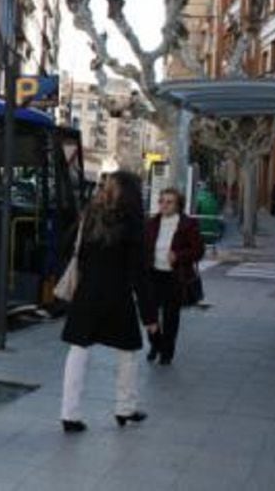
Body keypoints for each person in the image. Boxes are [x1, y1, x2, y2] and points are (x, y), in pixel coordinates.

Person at [60, 170, 156, 433]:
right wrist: (149, 316)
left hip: (87, 293)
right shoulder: (133, 223)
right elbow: (139, 271)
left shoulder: (91, 215)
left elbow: (68, 247)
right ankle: (125, 408)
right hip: (118, 296)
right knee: (128, 352)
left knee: (78, 350)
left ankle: (70, 413)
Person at [145, 188, 205, 366]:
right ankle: (156, 344)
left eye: (169, 201)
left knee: (171, 317)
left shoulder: (188, 224)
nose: (164, 205)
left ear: (178, 204)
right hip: (153, 275)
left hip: (175, 277)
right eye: (162, 201)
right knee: (149, 315)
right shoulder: (151, 222)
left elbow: (198, 250)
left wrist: (178, 256)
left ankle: (167, 353)